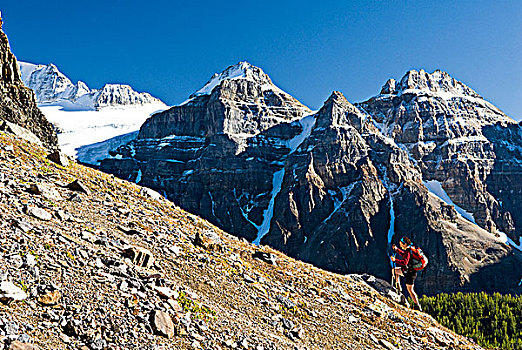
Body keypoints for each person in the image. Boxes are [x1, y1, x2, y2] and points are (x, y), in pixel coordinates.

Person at [391, 236, 422, 311]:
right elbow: (404, 255)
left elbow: (405, 262)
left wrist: (395, 260)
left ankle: (417, 305)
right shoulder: (409, 250)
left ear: (404, 244)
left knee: (410, 290)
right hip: (408, 271)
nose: (400, 244)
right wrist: (397, 250)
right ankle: (398, 285)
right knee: (395, 271)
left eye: (401, 243)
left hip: (410, 273)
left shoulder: (408, 252)